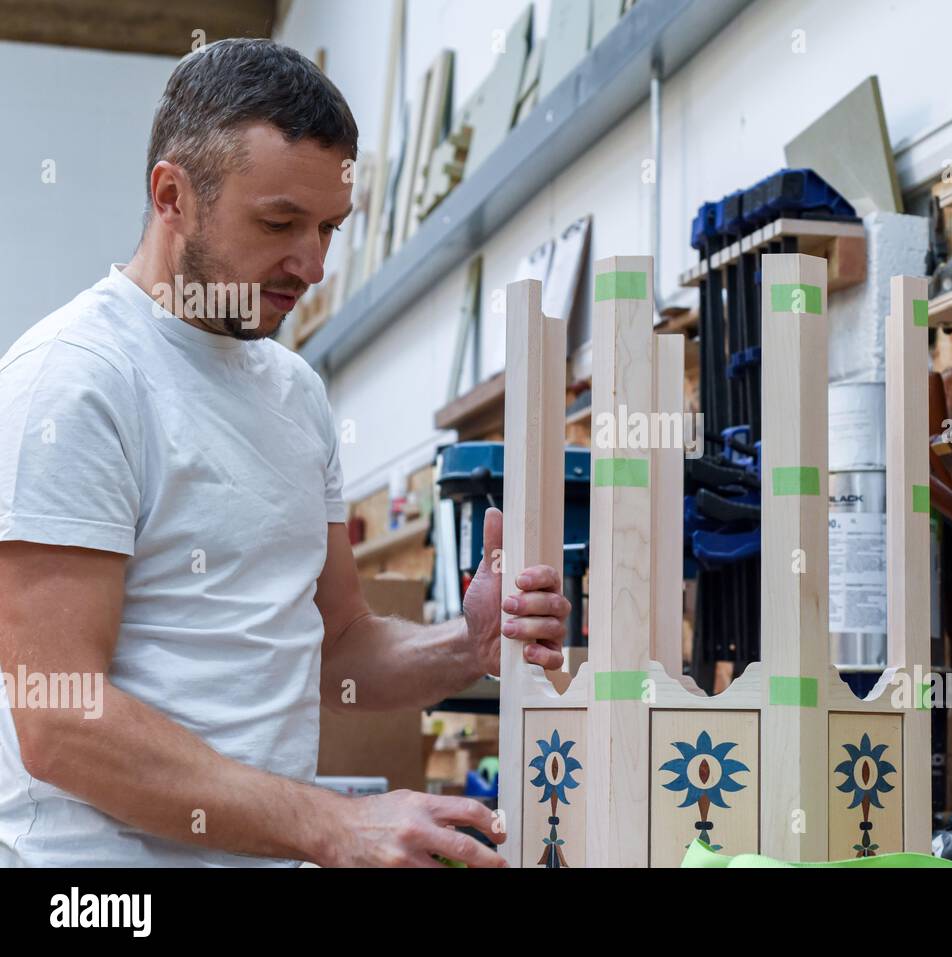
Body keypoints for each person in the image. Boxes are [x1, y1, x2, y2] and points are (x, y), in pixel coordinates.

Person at [0, 38, 567, 867]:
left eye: (330, 228)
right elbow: (59, 720)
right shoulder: (75, 381)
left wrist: (465, 642)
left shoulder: (296, 394)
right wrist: (333, 823)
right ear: (172, 196)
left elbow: (337, 647)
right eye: (278, 223)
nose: (313, 264)